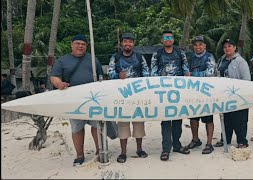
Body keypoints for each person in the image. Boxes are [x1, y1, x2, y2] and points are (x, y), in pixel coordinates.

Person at [50, 34, 104, 165]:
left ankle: (99, 151)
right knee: (77, 128)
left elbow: (102, 77)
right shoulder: (63, 61)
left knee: (97, 126)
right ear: (72, 44)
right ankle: (80, 155)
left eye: (83, 44)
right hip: (73, 101)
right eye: (77, 43)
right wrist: (59, 84)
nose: (80, 46)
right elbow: (54, 77)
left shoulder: (93, 59)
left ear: (86, 46)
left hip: (93, 99)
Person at [108, 33, 150, 163]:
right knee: (123, 125)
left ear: (134, 44)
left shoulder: (139, 57)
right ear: (121, 43)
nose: (128, 44)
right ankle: (123, 152)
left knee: (139, 124)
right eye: (125, 41)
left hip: (138, 96)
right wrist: (116, 75)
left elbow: (146, 73)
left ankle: (139, 149)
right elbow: (109, 73)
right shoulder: (115, 57)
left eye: (130, 42)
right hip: (121, 96)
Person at [150, 30, 191, 161]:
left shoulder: (180, 53)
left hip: (178, 92)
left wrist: (187, 74)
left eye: (170, 37)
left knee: (178, 119)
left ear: (173, 40)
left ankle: (177, 145)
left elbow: (185, 68)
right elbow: (153, 71)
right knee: (166, 121)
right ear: (162, 40)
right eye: (165, 38)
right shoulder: (157, 53)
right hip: (163, 92)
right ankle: (166, 148)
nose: (168, 40)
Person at [213, 38, 251, 148]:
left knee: (240, 119)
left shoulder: (241, 61)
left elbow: (246, 79)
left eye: (229, 46)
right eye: (225, 47)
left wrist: (240, 93)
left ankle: (242, 141)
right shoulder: (220, 60)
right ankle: (225, 139)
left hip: (239, 96)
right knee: (226, 119)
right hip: (224, 96)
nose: (227, 48)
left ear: (235, 47)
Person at [185, 36, 216, 154]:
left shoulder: (209, 57)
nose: (198, 47)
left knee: (208, 118)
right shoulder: (190, 57)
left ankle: (209, 143)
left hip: (206, 93)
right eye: (196, 45)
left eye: (200, 44)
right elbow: (185, 71)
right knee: (193, 117)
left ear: (205, 46)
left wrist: (192, 74)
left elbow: (210, 73)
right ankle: (195, 139)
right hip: (193, 93)